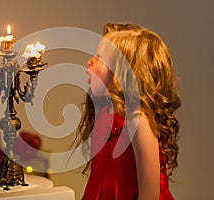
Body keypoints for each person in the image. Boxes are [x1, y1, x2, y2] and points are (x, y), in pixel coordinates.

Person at [75, 23, 181, 199]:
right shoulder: (105, 113)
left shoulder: (138, 121)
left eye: (100, 57)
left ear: (122, 71)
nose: (90, 61)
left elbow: (150, 195)